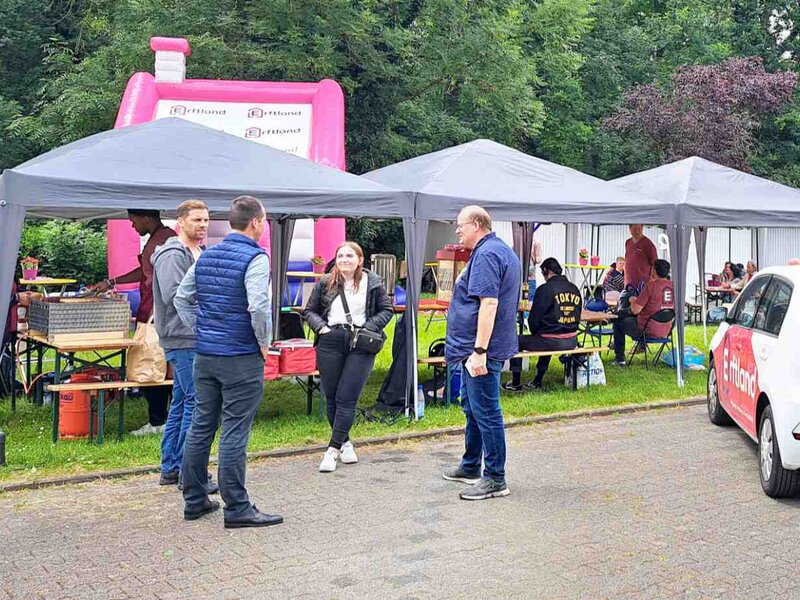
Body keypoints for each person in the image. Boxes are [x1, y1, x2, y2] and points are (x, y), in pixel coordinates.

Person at [175, 196, 282, 528]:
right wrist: (263, 344)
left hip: (206, 355)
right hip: (240, 356)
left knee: (201, 425)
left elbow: (181, 297)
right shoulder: (256, 257)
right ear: (256, 223)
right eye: (263, 222)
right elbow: (258, 307)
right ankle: (236, 507)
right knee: (235, 429)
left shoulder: (207, 255)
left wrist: (202, 329)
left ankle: (194, 499)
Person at [441, 206, 521, 501]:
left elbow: (489, 304)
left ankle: (495, 479)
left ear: (477, 224)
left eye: (460, 225)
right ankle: (471, 464)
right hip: (477, 346)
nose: (457, 230)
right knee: (472, 407)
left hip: (482, 349)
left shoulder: (487, 254)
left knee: (486, 411)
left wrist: (479, 351)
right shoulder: (495, 250)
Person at [304, 242, 394, 473]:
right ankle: (345, 442)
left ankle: (332, 450)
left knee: (347, 397)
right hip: (331, 340)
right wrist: (322, 328)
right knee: (332, 396)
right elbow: (309, 311)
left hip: (361, 342)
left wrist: (368, 326)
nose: (344, 259)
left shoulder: (372, 283)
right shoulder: (325, 282)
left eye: (349, 255)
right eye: (340, 255)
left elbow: (387, 310)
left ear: (360, 260)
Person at [93, 209, 176, 436]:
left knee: (152, 367)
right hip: (149, 312)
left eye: (133, 221)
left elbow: (168, 279)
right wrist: (113, 281)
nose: (132, 226)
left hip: (158, 315)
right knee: (155, 366)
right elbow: (144, 272)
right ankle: (162, 419)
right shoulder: (155, 239)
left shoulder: (166, 240)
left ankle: (159, 421)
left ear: (146, 218)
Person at [151, 199, 213, 489]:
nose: (202, 225)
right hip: (182, 336)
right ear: (181, 222)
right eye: (196, 220)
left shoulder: (199, 251)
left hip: (195, 336)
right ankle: (191, 474)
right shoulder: (173, 254)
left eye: (205, 220)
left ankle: (172, 468)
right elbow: (173, 296)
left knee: (181, 403)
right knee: (196, 403)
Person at [504, 258, 582, 392]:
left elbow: (534, 319)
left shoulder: (544, 290)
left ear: (546, 271)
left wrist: (537, 332)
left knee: (516, 340)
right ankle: (538, 380)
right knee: (547, 336)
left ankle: (515, 383)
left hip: (551, 341)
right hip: (571, 340)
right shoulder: (574, 288)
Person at [612, 259, 675, 367]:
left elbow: (635, 310)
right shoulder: (675, 287)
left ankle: (620, 359)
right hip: (666, 329)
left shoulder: (651, 286)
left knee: (618, 322)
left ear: (654, 270)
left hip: (646, 329)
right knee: (622, 316)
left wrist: (632, 300)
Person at [624, 225, 657, 292]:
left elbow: (655, 262)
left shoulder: (648, 243)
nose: (637, 231)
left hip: (643, 283)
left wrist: (652, 279)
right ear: (630, 229)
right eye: (635, 229)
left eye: (639, 229)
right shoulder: (628, 242)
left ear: (642, 228)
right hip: (629, 281)